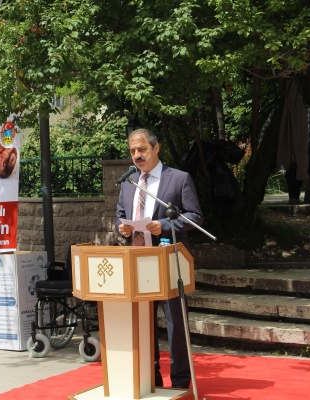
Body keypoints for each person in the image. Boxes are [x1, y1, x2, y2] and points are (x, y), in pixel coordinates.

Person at [115, 128, 203, 389]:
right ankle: (149, 379)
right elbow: (119, 215)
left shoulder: (178, 178)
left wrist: (163, 225)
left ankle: (180, 382)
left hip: (168, 262)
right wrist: (121, 227)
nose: (137, 155)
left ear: (156, 148)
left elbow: (194, 217)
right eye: (132, 151)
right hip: (136, 262)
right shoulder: (129, 182)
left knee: (176, 323)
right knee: (143, 323)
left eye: (141, 149)